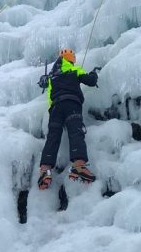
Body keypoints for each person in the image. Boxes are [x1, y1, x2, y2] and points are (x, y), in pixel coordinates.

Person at [37, 47, 99, 189]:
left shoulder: (52, 75)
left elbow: (44, 85)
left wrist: (44, 80)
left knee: (53, 137)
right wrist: (94, 73)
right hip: (71, 103)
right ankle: (78, 166)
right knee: (75, 132)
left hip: (55, 109)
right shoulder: (74, 70)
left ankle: (44, 171)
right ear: (71, 59)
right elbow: (90, 80)